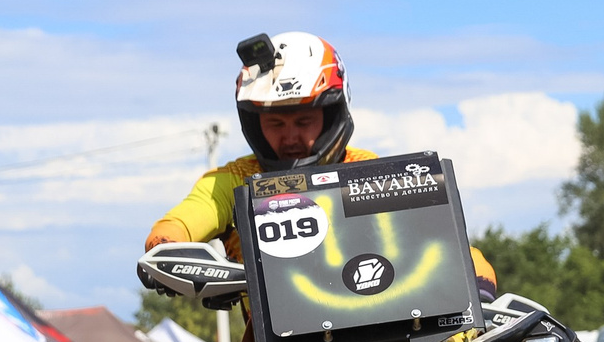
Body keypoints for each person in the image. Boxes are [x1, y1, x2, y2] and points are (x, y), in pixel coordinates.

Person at [144, 31, 497, 311]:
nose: (291, 136)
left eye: (304, 120)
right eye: (276, 123)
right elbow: (177, 225)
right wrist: (168, 249)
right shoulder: (234, 181)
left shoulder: (369, 172)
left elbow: (454, 247)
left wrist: (478, 288)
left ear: (332, 115)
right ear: (254, 124)